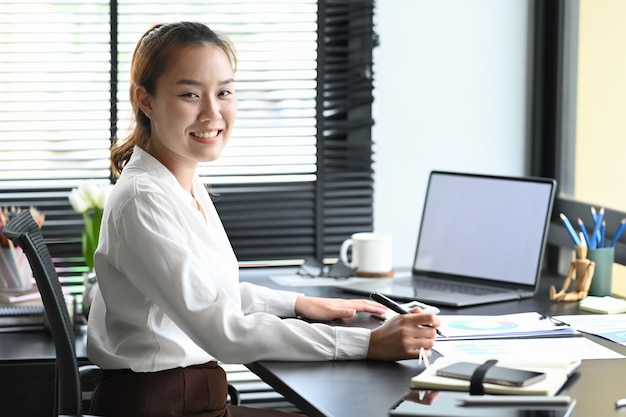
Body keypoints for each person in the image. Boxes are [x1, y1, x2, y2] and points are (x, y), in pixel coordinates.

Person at [86, 21, 440, 417]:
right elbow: (225, 332)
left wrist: (299, 303)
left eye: (224, 93)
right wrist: (369, 344)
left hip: (187, 397)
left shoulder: (179, 180)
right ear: (146, 101)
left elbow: (208, 292)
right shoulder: (142, 200)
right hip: (161, 405)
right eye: (190, 94)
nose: (212, 112)